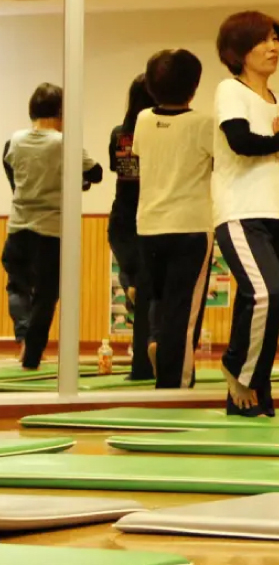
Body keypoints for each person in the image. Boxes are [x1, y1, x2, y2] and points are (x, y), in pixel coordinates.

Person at [212, 11, 279, 416]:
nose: (273, 47)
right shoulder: (230, 91)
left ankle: (253, 396)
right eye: (263, 41)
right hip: (240, 210)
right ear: (238, 51)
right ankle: (238, 368)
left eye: (276, 39)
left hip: (278, 213)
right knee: (270, 294)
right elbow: (240, 141)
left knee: (270, 303)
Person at [2, 84, 103, 369]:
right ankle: (32, 354)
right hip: (50, 232)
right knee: (46, 295)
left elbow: (11, 170)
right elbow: (95, 173)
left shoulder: (15, 141)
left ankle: (22, 337)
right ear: (61, 112)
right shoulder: (63, 143)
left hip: (18, 227)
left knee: (17, 287)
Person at [133, 50, 215, 389]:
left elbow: (141, 153)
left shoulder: (142, 119)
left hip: (150, 224)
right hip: (190, 226)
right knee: (184, 312)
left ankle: (169, 377)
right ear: (194, 86)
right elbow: (221, 164)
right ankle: (174, 386)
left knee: (163, 304)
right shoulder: (203, 124)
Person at [109, 75, 156, 379]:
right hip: (150, 213)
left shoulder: (119, 133)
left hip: (122, 214)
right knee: (149, 288)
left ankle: (132, 288)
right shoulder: (157, 129)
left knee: (133, 276)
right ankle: (144, 361)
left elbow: (114, 166)